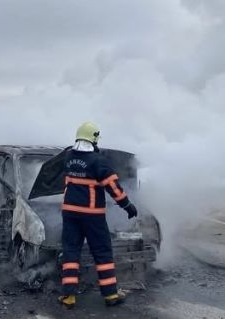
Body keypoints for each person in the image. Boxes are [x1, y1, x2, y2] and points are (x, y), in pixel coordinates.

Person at [58, 122, 138, 309]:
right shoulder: (98, 161)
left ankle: (69, 296)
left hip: (69, 213)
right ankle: (110, 295)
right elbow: (113, 188)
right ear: (93, 138)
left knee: (71, 252)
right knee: (102, 253)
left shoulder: (68, 157)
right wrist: (127, 206)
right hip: (92, 216)